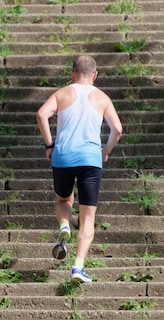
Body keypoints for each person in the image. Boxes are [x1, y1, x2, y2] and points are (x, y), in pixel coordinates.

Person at [36, 55, 123, 283]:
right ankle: (78, 267)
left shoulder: (62, 93)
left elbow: (41, 114)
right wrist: (105, 151)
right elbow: (118, 129)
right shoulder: (102, 98)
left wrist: (49, 144)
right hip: (90, 159)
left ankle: (64, 225)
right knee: (88, 218)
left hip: (62, 156)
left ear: (72, 73)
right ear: (94, 75)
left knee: (64, 201)